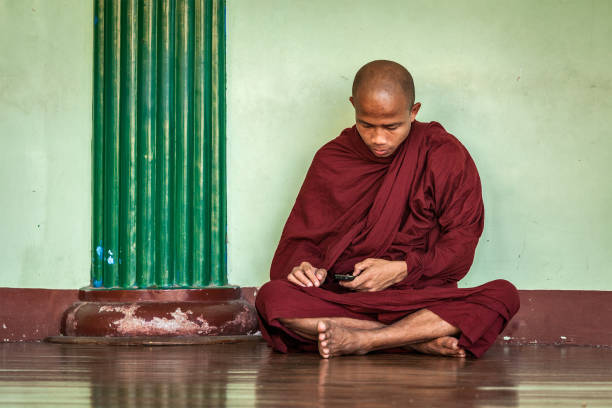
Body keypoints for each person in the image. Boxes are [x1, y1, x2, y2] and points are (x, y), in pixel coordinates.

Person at [255, 60, 519, 359]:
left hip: (417, 298)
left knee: (502, 295)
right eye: (366, 125)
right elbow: (301, 245)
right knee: (272, 297)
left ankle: (363, 340)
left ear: (414, 111)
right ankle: (413, 340)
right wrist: (306, 268)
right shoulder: (332, 159)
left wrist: (402, 270)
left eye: (392, 127)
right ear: (353, 106)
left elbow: (460, 249)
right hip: (346, 298)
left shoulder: (443, 154)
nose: (378, 139)